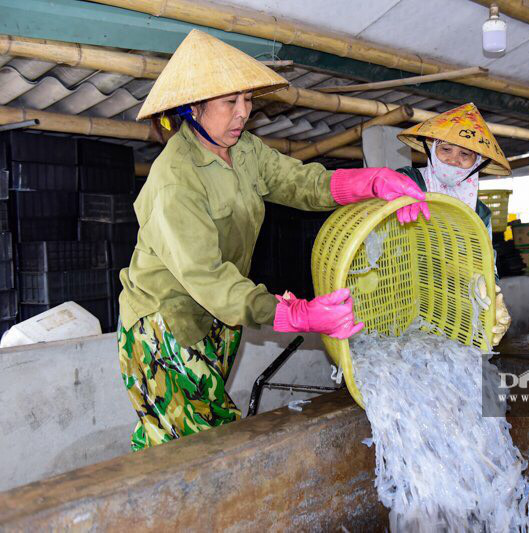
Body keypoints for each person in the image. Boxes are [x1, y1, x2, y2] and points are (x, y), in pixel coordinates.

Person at [117, 30, 429, 450]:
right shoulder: (175, 179)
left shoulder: (245, 150)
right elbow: (207, 277)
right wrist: (297, 314)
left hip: (218, 321)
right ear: (193, 108)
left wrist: (371, 181)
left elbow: (300, 182)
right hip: (165, 326)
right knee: (209, 446)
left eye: (248, 100)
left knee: (169, 440)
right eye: (231, 102)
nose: (243, 112)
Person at [394, 103, 512, 346]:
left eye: (465, 155)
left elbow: (486, 260)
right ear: (431, 149)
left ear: (477, 162)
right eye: (445, 149)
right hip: (402, 287)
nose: (454, 160)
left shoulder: (480, 213)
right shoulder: (407, 181)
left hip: (451, 299)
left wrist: (492, 291)